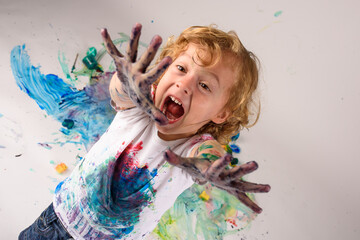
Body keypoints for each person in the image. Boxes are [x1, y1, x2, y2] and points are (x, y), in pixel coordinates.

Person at [19, 23, 270, 239]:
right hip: (56, 220)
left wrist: (214, 170)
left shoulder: (192, 148)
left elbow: (207, 158)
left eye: (204, 85)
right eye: (181, 69)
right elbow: (121, 92)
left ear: (221, 113)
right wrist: (124, 80)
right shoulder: (139, 105)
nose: (185, 84)